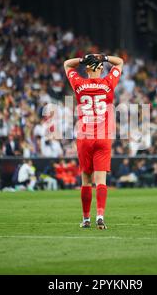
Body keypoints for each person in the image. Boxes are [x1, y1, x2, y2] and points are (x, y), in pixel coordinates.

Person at [64, 53, 123, 229]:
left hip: (84, 137)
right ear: (101, 68)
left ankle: (86, 219)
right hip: (103, 137)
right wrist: (103, 57)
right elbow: (120, 62)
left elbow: (67, 64)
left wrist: (82, 60)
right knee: (101, 181)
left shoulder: (79, 84)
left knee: (86, 181)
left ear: (87, 69)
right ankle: (100, 216)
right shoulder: (108, 83)